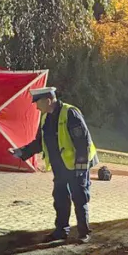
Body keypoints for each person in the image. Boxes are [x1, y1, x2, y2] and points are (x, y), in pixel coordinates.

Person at [10, 87, 98, 244]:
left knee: (80, 197)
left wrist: (81, 167)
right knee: (60, 198)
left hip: (77, 165)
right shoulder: (45, 118)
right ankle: (61, 231)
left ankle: (84, 232)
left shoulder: (70, 113)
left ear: (48, 100)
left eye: (38, 103)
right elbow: (39, 142)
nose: (36, 107)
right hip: (60, 166)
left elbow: (83, 141)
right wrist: (22, 152)